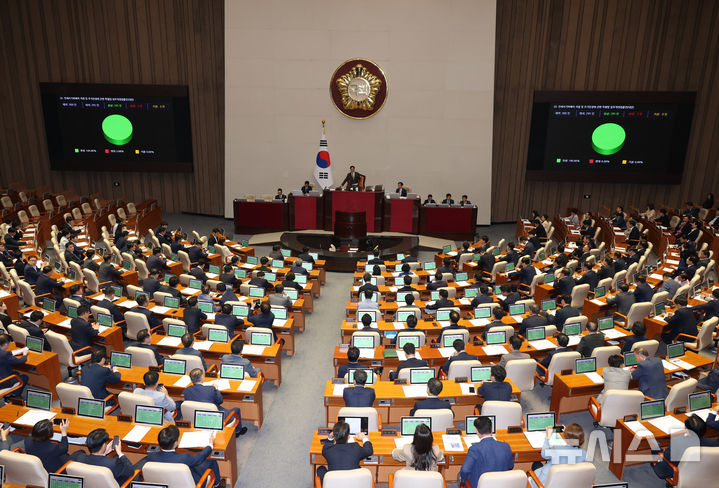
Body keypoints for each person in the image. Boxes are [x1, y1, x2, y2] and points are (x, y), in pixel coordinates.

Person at [141, 425, 223, 487]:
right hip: (193, 484)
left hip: (164, 483)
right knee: (210, 460)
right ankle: (217, 484)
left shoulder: (151, 457)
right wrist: (210, 445)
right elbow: (201, 456)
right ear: (176, 443)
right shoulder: (184, 458)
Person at [651, 414, 719, 481]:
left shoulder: (678, 442)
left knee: (655, 447)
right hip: (702, 472)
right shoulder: (714, 443)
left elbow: (666, 456)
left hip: (675, 472)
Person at [184, 368, 247, 436]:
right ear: (202, 378)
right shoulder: (211, 389)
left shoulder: (186, 391)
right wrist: (216, 389)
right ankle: (238, 431)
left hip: (197, 418)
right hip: (214, 417)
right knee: (236, 410)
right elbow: (220, 401)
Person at [459, 416, 514, 488]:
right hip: (501, 485)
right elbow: (510, 466)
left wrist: (463, 480)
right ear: (492, 429)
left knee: (459, 476)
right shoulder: (506, 446)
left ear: (477, 431)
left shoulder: (474, 449)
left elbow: (465, 470)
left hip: (479, 485)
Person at [72, 428, 138, 485]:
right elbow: (131, 472)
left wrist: (103, 453)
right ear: (104, 445)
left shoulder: (78, 457)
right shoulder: (114, 463)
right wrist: (120, 453)